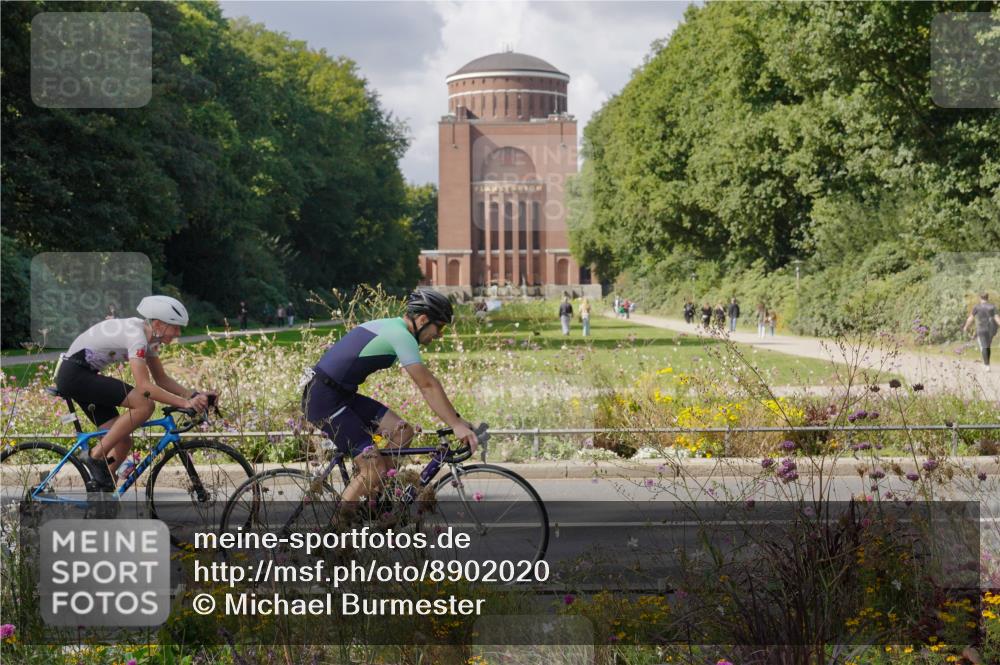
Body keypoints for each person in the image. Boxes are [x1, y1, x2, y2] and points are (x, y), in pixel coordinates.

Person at [302, 289, 479, 511]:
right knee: (373, 469)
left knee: (402, 431)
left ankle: (374, 503)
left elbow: (429, 385)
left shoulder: (394, 327)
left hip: (339, 394)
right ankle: (336, 536)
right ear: (423, 319)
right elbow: (427, 385)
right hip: (324, 399)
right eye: (440, 327)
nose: (440, 335)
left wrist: (457, 420)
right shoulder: (401, 335)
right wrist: (456, 425)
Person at [54, 295, 214, 491]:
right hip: (75, 375)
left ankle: (102, 494)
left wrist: (193, 395)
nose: (178, 332)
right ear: (158, 324)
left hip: (83, 375)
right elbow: (145, 388)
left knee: (122, 441)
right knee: (145, 405)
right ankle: (95, 456)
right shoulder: (136, 336)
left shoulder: (150, 340)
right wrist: (184, 404)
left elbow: (161, 379)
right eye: (175, 327)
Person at [963, 292, 1000, 371]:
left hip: (981, 328)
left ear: (980, 298)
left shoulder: (977, 307)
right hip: (991, 329)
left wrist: (966, 326)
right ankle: (987, 364)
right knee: (987, 346)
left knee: (984, 346)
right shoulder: (992, 307)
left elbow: (970, 318)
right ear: (987, 298)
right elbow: (997, 318)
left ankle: (987, 365)